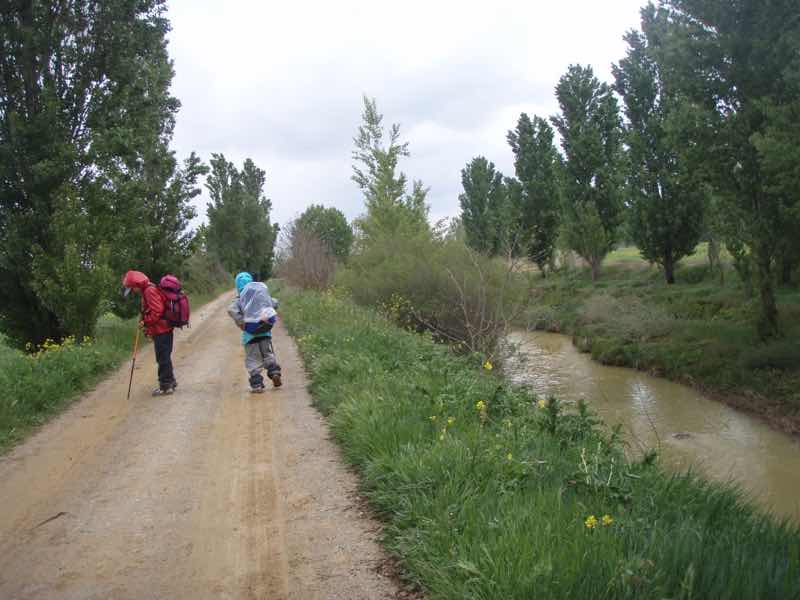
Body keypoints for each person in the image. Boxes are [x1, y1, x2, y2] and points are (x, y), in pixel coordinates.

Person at [122, 270, 177, 396]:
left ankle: (165, 386)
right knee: (164, 356)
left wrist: (145, 322)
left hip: (162, 330)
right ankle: (170, 382)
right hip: (163, 329)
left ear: (136, 284)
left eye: (132, 288)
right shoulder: (148, 289)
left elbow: (157, 311)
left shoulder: (149, 291)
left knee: (162, 358)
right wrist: (144, 318)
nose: (133, 291)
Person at [227, 272, 282, 393]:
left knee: (253, 359)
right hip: (265, 333)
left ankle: (257, 384)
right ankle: (274, 372)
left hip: (250, 335)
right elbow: (274, 303)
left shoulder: (239, 299)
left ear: (237, 287)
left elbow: (231, 310)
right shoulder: (260, 296)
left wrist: (241, 321)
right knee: (268, 354)